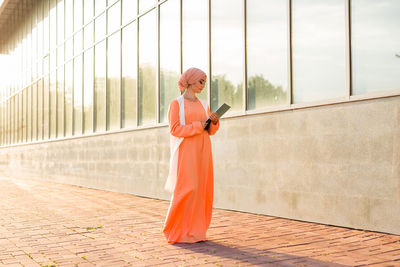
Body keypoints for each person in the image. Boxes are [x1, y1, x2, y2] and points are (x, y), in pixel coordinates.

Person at [163, 67, 220, 244]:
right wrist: (198, 126)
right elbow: (175, 129)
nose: (203, 85)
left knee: (202, 189)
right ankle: (175, 230)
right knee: (187, 189)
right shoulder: (176, 104)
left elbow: (209, 130)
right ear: (190, 81)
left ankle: (197, 232)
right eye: (200, 81)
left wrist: (215, 123)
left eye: (205, 82)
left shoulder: (204, 105)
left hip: (204, 150)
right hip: (186, 151)